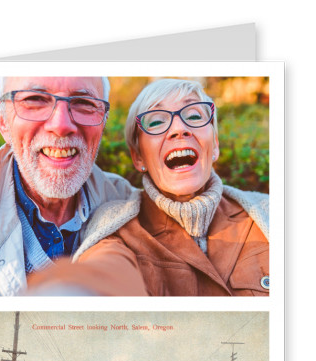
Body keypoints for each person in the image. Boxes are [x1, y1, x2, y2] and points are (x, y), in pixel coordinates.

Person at [28, 78, 269, 296]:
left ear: (214, 144)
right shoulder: (116, 229)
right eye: (156, 121)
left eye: (194, 116)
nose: (179, 129)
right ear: (138, 157)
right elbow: (105, 271)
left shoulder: (268, 213)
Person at [0, 76, 139, 296]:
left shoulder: (127, 204)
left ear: (103, 121)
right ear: (2, 120)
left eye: (84, 103)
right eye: (35, 99)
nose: (61, 126)